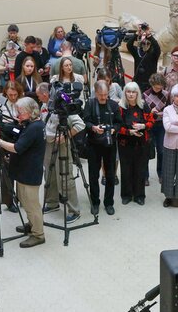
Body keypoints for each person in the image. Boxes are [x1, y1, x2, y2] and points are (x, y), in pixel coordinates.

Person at [0, 97, 47, 248]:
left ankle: (38, 234)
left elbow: (17, 147)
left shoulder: (34, 128)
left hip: (30, 173)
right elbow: (18, 132)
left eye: (20, 112)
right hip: (23, 170)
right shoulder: (31, 124)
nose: (18, 115)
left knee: (32, 204)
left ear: (30, 112)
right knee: (24, 200)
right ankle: (31, 224)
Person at [41, 80, 85, 222]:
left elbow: (80, 125)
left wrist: (66, 135)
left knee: (65, 178)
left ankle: (74, 210)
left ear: (46, 94)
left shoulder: (64, 105)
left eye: (40, 95)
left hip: (61, 145)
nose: (39, 98)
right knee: (49, 174)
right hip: (48, 144)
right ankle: (52, 202)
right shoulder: (45, 105)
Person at [84, 81, 121, 215]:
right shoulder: (90, 104)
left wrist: (113, 130)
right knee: (93, 175)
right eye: (101, 95)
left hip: (109, 144)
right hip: (93, 144)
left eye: (105, 95)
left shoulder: (113, 105)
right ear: (96, 92)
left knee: (110, 175)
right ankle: (95, 202)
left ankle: (109, 202)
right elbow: (85, 121)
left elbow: (118, 122)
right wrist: (93, 127)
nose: (103, 98)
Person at [116, 82, 153, 205]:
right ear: (125, 93)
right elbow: (117, 126)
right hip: (124, 143)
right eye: (128, 91)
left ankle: (139, 195)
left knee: (140, 169)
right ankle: (126, 195)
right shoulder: (120, 107)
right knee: (126, 169)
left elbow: (151, 121)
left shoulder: (143, 105)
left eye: (133, 92)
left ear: (137, 93)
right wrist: (129, 132)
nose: (131, 94)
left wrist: (143, 125)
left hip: (141, 144)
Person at [0, 81, 25, 213]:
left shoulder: (23, 102)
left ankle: (22, 198)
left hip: (20, 136)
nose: (12, 97)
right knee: (6, 170)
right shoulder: (0, 102)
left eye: (15, 95)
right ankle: (9, 201)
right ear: (5, 92)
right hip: (5, 136)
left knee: (22, 169)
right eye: (10, 94)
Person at [143, 73, 169, 182]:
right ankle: (145, 176)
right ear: (152, 84)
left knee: (161, 150)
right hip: (149, 125)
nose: (158, 89)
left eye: (160, 87)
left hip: (161, 124)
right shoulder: (145, 95)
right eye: (156, 87)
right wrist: (150, 112)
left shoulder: (166, 94)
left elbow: (169, 109)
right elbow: (143, 112)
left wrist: (163, 113)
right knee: (147, 150)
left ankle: (161, 174)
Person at [125, 23, 161, 92]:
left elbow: (157, 48)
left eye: (148, 43)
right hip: (138, 82)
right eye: (143, 35)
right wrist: (137, 34)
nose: (145, 44)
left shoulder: (153, 53)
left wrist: (149, 35)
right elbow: (129, 45)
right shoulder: (137, 51)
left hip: (149, 84)